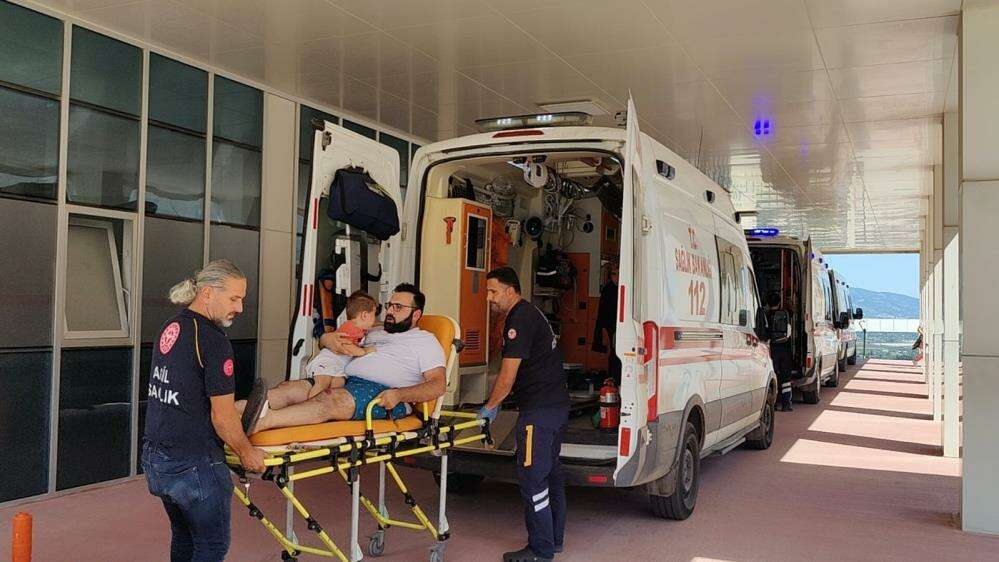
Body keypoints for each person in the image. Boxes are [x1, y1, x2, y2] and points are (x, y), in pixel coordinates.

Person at [141, 259, 267, 562]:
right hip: (194, 463)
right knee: (211, 546)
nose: (239, 308)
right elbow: (222, 417)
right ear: (208, 293)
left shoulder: (172, 327)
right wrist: (247, 453)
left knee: (184, 537)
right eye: (234, 299)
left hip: (158, 458)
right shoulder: (212, 340)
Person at [239, 284, 446, 433]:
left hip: (384, 393)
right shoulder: (374, 330)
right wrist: (326, 338)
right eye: (389, 305)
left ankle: (263, 422)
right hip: (344, 378)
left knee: (330, 399)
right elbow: (333, 340)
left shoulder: (425, 341)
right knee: (289, 389)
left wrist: (399, 395)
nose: (390, 311)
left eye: (398, 307)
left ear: (416, 315)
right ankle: (231, 413)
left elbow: (438, 386)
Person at [480, 267, 570, 562]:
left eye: (493, 291)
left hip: (539, 414)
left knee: (533, 480)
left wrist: (490, 406)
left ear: (510, 291)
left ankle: (540, 550)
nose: (489, 298)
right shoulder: (531, 313)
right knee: (551, 474)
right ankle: (554, 541)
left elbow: (507, 376)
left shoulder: (518, 319)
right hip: (556, 407)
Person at [765, 291, 793, 411]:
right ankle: (786, 405)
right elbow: (789, 329)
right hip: (785, 349)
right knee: (786, 379)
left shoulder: (765, 316)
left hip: (772, 349)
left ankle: (774, 404)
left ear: (768, 303)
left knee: (774, 376)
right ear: (779, 302)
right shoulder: (785, 314)